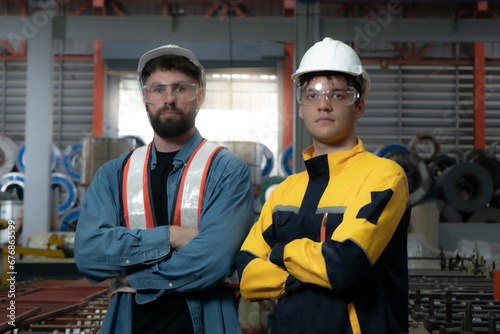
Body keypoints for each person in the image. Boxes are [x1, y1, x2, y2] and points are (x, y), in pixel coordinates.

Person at [74, 44, 255, 334]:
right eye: (158, 89)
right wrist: (170, 236)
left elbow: (215, 260)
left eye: (181, 88)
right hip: (129, 324)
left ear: (200, 95)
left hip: (205, 323)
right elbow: (89, 255)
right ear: (145, 98)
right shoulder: (112, 175)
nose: (169, 99)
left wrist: (137, 278)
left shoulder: (227, 171)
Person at [236, 37, 411, 334]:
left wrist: (280, 253)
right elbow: (247, 273)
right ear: (301, 108)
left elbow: (343, 265)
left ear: (360, 106)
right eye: (312, 95)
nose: (324, 105)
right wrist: (297, 276)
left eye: (339, 95)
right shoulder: (284, 191)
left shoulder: (384, 177)